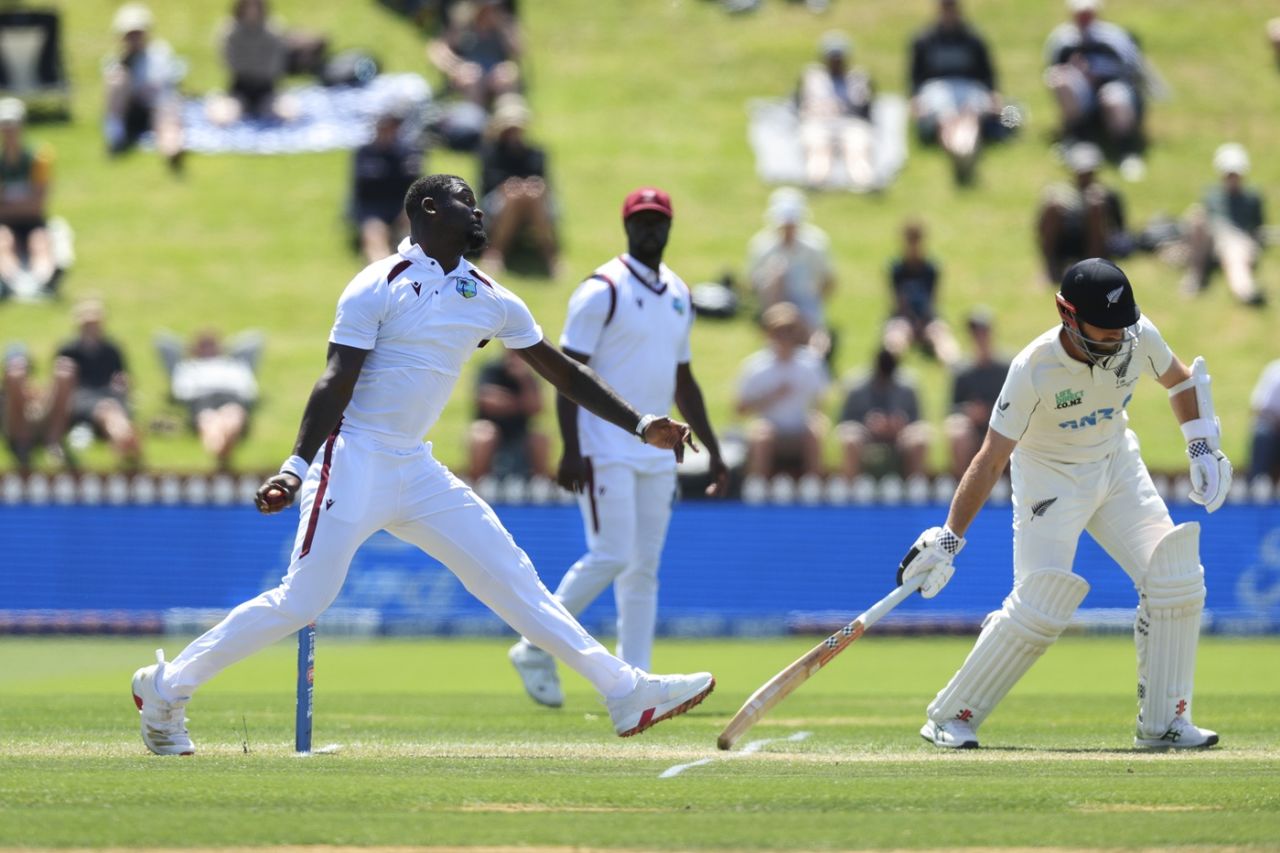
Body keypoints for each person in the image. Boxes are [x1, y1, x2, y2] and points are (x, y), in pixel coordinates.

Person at [129, 174, 715, 755]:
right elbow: (335, 379)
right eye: (466, 200)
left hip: (416, 466)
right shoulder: (377, 283)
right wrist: (295, 466)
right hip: (353, 457)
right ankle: (164, 688)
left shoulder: (487, 293)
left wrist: (642, 424)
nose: (480, 210)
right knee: (303, 601)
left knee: (513, 577)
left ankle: (624, 692)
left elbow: (560, 371)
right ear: (429, 210)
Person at [900, 258, 1231, 750]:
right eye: (1105, 331)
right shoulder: (1033, 368)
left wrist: (1201, 443)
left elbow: (1181, 380)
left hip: (1117, 467)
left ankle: (1164, 724)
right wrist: (949, 538)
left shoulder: (1135, 334)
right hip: (1049, 482)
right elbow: (991, 459)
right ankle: (950, 716)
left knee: (1175, 578)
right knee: (1040, 606)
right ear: (1068, 315)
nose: (1118, 341)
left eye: (1123, 328)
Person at [508, 186, 728, 707]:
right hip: (603, 444)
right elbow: (567, 374)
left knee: (642, 568)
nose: (650, 229)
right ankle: (535, 645)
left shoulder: (678, 292)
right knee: (611, 553)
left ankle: (638, 683)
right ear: (626, 226)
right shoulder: (601, 289)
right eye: (641, 221)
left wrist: (714, 449)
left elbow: (684, 378)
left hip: (657, 452)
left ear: (669, 227)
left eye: (658, 221)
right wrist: (570, 447)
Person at [1043, 0, 1149, 179]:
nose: (1084, 18)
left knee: (1113, 97)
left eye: (1088, 13)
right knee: (1060, 81)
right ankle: (1075, 140)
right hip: (1082, 97)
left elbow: (1133, 72)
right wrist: (1077, 73)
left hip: (1115, 92)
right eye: (1080, 14)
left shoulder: (1114, 38)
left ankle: (1127, 150)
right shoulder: (1061, 40)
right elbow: (1052, 71)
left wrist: (1097, 73)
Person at [908, 0, 1001, 185]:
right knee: (946, 117)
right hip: (935, 88)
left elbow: (987, 74)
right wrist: (915, 99)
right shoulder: (924, 39)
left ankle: (967, 150)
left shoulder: (973, 38)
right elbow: (916, 77)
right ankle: (957, 153)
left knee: (970, 115)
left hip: (970, 86)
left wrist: (994, 95)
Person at [736, 302, 829, 479]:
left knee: (815, 431)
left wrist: (817, 419)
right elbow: (740, 410)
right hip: (770, 428)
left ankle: (814, 485)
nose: (785, 337)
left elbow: (820, 402)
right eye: (780, 331)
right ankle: (758, 484)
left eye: (790, 331)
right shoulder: (756, 366)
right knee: (762, 434)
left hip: (800, 429)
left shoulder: (811, 363)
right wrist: (771, 397)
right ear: (769, 333)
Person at [156, 328, 263, 472]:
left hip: (230, 397)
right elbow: (181, 390)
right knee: (209, 421)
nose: (208, 349)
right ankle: (221, 451)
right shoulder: (188, 367)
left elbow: (255, 338)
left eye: (211, 344)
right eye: (203, 345)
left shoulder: (232, 365)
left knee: (232, 416)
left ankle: (223, 451)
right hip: (202, 399)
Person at [746, 187, 835, 358]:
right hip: (776, 304)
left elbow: (828, 280)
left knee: (815, 334)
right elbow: (753, 282)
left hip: (806, 303)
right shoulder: (762, 246)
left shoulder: (815, 245)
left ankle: (814, 356)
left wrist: (815, 302)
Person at [54, 299, 142, 471]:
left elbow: (121, 376)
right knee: (108, 411)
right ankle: (125, 440)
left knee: (111, 408)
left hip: (109, 394)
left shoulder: (112, 349)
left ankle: (122, 439)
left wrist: (124, 384)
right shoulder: (68, 350)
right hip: (81, 397)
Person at [477, 98, 558, 276]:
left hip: (532, 201)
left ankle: (548, 253)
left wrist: (531, 187)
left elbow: (542, 181)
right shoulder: (491, 153)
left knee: (533, 196)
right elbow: (489, 184)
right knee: (513, 197)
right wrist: (508, 188)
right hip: (499, 203)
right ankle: (497, 252)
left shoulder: (536, 153)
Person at [1180, 143, 1267, 307]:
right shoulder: (1211, 194)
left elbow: (1257, 228)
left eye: (1235, 174)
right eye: (1229, 174)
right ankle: (1195, 276)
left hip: (1236, 241)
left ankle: (1246, 291)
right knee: (1196, 216)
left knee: (1235, 256)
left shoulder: (1252, 197)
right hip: (1211, 240)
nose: (1232, 178)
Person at [102, 3, 185, 170]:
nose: (134, 39)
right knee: (118, 80)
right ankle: (115, 137)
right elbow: (113, 94)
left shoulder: (159, 54)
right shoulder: (117, 63)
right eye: (130, 35)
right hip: (131, 112)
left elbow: (167, 84)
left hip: (156, 107)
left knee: (167, 114)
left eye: (137, 34)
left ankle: (172, 150)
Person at [1036, 141, 1129, 285]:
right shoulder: (1059, 193)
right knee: (1053, 207)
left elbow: (1120, 230)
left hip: (1095, 246)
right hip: (1065, 241)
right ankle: (1051, 268)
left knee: (1095, 207)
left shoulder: (1106, 195)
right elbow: (1041, 226)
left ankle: (1093, 270)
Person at [836, 347, 931, 480]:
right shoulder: (856, 387)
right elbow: (844, 421)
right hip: (865, 435)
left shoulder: (908, 387)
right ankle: (851, 487)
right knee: (851, 437)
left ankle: (915, 487)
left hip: (900, 437)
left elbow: (917, 420)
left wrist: (900, 424)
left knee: (919, 437)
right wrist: (867, 424)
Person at [797, 31, 875, 191]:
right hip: (818, 122)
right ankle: (816, 179)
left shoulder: (857, 78)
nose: (835, 61)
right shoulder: (813, 77)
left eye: (839, 57)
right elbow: (798, 103)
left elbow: (866, 106)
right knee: (818, 148)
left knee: (857, 148)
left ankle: (864, 182)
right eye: (832, 57)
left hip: (849, 123)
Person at [0, 97, 57, 300]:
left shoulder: (38, 159)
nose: (9, 132)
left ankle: (42, 283)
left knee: (40, 242)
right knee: (4, 241)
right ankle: (14, 284)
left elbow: (38, 205)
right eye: (5, 126)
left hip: (33, 222)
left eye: (12, 126)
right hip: (5, 224)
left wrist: (7, 205)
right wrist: (25, 204)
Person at [943, 309, 1010, 480]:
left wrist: (990, 412)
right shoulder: (962, 371)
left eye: (983, 331)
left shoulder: (1007, 368)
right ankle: (964, 483)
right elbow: (952, 408)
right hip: (973, 428)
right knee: (957, 429)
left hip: (1003, 424)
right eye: (975, 332)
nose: (980, 336)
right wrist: (969, 412)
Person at [206, 0, 296, 126]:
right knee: (221, 118)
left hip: (266, 89)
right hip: (240, 89)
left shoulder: (273, 31)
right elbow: (228, 62)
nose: (252, 12)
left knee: (287, 115)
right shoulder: (230, 32)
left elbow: (276, 65)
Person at [882, 219, 959, 366]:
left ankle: (955, 368)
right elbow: (897, 302)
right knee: (895, 339)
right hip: (903, 318)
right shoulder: (897, 269)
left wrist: (922, 321)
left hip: (927, 318)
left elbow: (934, 300)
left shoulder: (931, 268)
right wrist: (912, 321)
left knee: (943, 338)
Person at [351, 105, 422, 264]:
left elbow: (417, 185)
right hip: (374, 208)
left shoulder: (408, 151)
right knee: (374, 233)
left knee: (413, 234)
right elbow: (362, 188)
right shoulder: (365, 153)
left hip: (402, 207)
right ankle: (383, 272)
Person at [467, 347, 550, 481]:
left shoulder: (528, 378)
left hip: (520, 431)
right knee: (483, 437)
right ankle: (477, 482)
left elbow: (536, 407)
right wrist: (520, 403)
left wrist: (523, 380)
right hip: (491, 427)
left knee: (540, 438)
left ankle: (540, 485)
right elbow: (486, 400)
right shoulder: (491, 369)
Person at [426, 0, 522, 111]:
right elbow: (438, 49)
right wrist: (456, 67)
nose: (487, 11)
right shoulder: (463, 23)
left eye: (491, 8)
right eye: (483, 7)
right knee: (472, 77)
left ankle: (507, 120)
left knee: (507, 74)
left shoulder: (504, 25)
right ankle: (475, 120)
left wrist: (502, 24)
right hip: (471, 76)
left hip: (495, 75)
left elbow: (518, 51)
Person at [2, 343, 74, 472]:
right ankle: (23, 446)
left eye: (24, 367)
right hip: (19, 430)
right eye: (15, 366)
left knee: (64, 374)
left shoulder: (36, 389)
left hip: (44, 424)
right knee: (15, 379)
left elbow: (44, 405)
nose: (21, 370)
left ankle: (54, 444)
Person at [1248, 359, 1280, 482]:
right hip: (1271, 427)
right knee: (1262, 434)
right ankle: (1257, 481)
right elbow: (1258, 408)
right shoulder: (1275, 370)